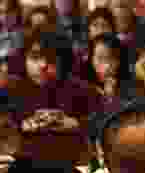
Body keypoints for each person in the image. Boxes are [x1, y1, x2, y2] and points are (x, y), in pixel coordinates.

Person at [7, 28, 101, 162]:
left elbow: (104, 122)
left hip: (74, 163)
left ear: (62, 61)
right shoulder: (12, 91)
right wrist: (20, 125)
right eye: (35, 57)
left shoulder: (83, 90)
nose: (43, 65)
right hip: (23, 164)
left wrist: (77, 124)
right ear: (24, 59)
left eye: (50, 58)